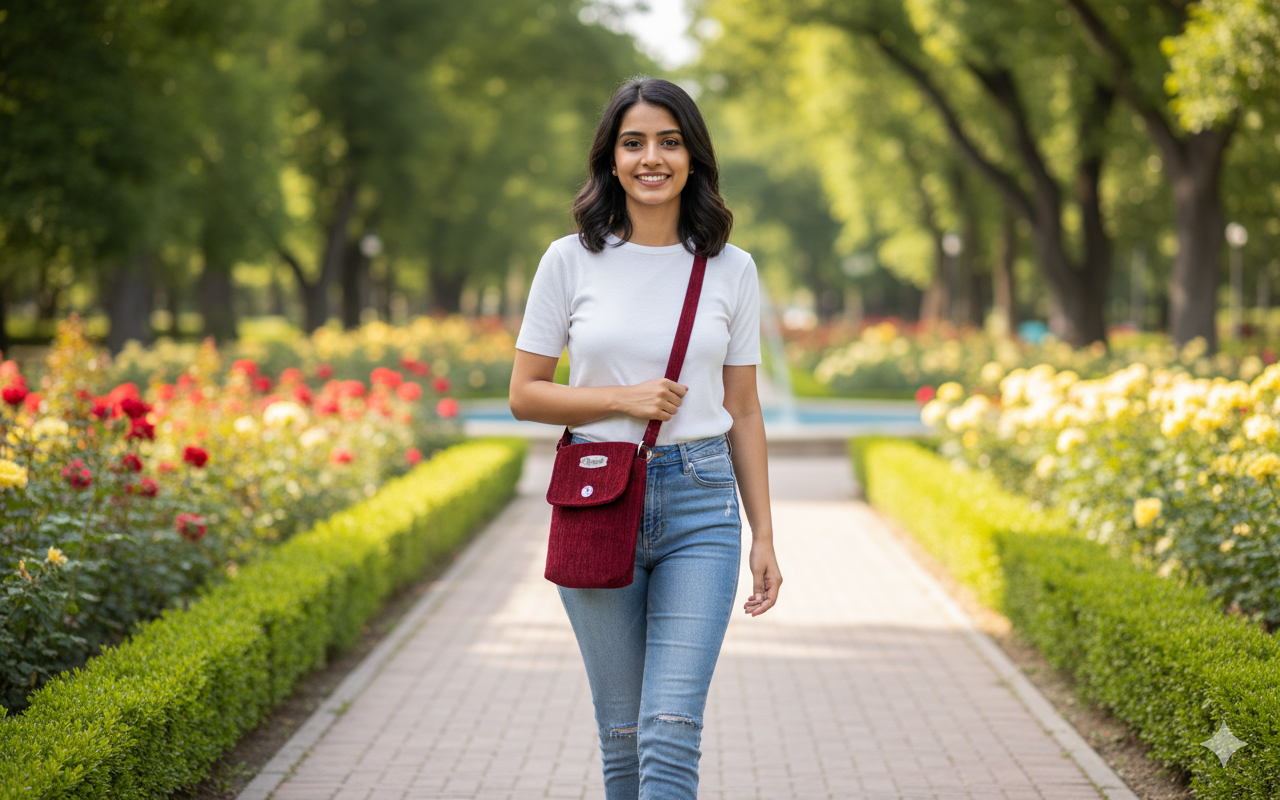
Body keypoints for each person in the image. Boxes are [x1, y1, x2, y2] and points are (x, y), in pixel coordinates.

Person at [509, 76, 781, 798]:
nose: (651, 157)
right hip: (599, 496)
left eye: (669, 141)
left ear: (693, 156)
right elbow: (524, 393)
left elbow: (744, 410)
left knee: (668, 727)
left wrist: (764, 535)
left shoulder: (731, 268)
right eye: (634, 143)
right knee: (623, 734)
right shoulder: (567, 260)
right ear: (612, 158)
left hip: (703, 505)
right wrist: (621, 399)